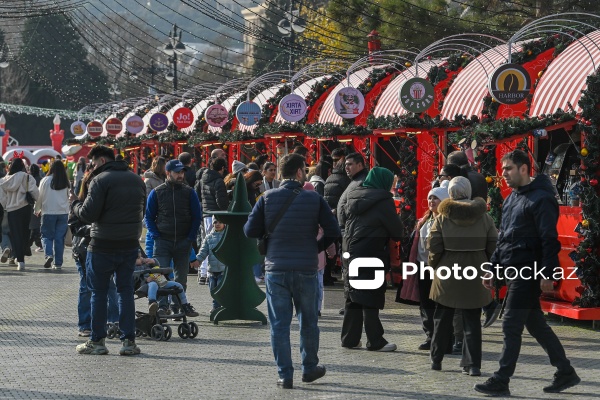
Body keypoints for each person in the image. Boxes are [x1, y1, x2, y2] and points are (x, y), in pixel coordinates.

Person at [474, 150, 581, 396]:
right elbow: (504, 239)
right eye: (503, 169)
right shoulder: (512, 198)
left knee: (511, 324)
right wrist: (492, 267)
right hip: (514, 270)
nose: (504, 174)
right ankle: (565, 371)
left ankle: (501, 379)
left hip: (528, 272)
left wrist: (548, 273)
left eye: (509, 168)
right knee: (536, 325)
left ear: (524, 169)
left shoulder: (541, 198)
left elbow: (549, 240)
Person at [244, 153, 340, 389]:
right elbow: (333, 230)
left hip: (276, 269)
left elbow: (249, 230)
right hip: (306, 267)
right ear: (299, 173)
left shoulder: (266, 198)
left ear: (280, 173)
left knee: (279, 325)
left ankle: (285, 375)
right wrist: (314, 247)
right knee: (308, 321)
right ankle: (309, 368)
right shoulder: (314, 199)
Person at [73, 145, 146, 356]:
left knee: (99, 293)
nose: (93, 168)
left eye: (94, 164)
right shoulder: (136, 179)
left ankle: (97, 341)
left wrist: (75, 205)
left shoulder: (100, 180)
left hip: (102, 245)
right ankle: (128, 342)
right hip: (130, 244)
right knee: (125, 292)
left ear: (102, 161)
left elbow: (88, 214)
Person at [427, 177, 497, 376]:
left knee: (442, 318)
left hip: (447, 271)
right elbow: (494, 245)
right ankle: (472, 364)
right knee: (472, 320)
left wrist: (435, 265)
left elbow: (433, 245)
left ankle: (437, 359)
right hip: (476, 271)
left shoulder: (442, 217)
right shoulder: (484, 217)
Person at [340, 167, 403, 352]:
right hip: (370, 250)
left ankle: (349, 338)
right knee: (370, 296)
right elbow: (397, 231)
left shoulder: (353, 196)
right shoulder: (384, 201)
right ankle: (375, 340)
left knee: (353, 295)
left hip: (350, 249)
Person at [145, 159, 202, 315]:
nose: (181, 175)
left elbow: (197, 216)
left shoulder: (189, 192)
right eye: (177, 172)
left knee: (181, 278)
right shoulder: (157, 192)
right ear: (168, 173)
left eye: (182, 172)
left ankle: (176, 306)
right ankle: (162, 306)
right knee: (159, 276)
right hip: (162, 240)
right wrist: (156, 235)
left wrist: (190, 237)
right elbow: (149, 217)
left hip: (183, 241)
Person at [398, 181, 449, 351]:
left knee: (439, 303)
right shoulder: (425, 219)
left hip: (439, 267)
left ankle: (442, 337)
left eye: (436, 198)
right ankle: (430, 335)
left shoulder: (446, 220)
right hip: (422, 266)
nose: (432, 201)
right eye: (430, 198)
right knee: (425, 304)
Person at [69, 170, 119, 337]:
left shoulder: (108, 201)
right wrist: (94, 229)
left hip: (105, 248)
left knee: (111, 286)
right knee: (87, 287)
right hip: (84, 249)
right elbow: (75, 227)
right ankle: (85, 324)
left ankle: (113, 321)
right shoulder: (79, 203)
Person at [0, 157, 39, 271]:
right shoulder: (26, 177)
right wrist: (38, 204)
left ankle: (20, 261)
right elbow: (35, 192)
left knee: (15, 234)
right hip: (25, 207)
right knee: (25, 232)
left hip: (11, 210)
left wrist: (6, 205)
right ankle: (21, 255)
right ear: (22, 166)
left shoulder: (4, 181)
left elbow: (2, 197)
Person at [135, 253, 199, 317]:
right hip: (146, 285)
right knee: (153, 284)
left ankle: (185, 305)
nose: (142, 259)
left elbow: (157, 265)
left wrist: (153, 261)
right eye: (138, 258)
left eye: (141, 257)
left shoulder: (145, 264)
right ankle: (152, 303)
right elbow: (135, 278)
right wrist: (146, 280)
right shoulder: (134, 268)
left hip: (160, 281)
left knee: (178, 285)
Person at [198, 157, 228, 284]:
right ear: (221, 168)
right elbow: (220, 200)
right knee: (215, 244)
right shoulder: (219, 181)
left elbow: (199, 195)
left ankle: (203, 273)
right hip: (216, 214)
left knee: (206, 242)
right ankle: (212, 273)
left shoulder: (203, 179)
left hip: (206, 213)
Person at [35, 160, 70, 270]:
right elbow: (69, 197)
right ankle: (58, 263)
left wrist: (37, 209)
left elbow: (39, 196)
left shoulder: (45, 180)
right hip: (63, 213)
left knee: (46, 236)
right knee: (59, 239)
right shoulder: (66, 181)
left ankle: (49, 255)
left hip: (48, 212)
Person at [196, 216, 227, 312]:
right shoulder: (209, 237)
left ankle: (217, 306)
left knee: (220, 288)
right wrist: (197, 260)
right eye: (215, 222)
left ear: (224, 224)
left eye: (220, 222)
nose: (217, 224)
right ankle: (218, 305)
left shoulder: (227, 237)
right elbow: (203, 251)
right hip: (212, 269)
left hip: (223, 269)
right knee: (212, 289)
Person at [28, 163, 43, 252]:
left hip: (31, 204)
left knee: (33, 226)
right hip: (41, 204)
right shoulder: (41, 180)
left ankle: (30, 243)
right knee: (37, 225)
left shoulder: (30, 180)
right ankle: (37, 243)